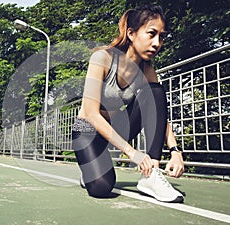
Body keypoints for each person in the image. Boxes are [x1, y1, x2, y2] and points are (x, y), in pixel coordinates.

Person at [72, 4, 185, 203]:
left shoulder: (147, 71)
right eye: (151, 34)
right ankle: (90, 173)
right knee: (101, 187)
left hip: (115, 128)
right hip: (87, 130)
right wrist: (132, 153)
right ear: (131, 34)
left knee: (155, 92)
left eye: (161, 36)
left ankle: (152, 175)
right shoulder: (102, 58)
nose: (157, 43)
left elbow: (158, 113)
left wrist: (175, 151)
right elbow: (90, 113)